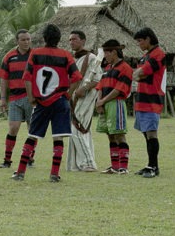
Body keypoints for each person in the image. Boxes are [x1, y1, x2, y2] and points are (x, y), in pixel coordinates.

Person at [12, 24, 82, 183]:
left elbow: (27, 77)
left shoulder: (35, 53)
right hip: (59, 101)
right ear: (59, 39)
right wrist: (68, 94)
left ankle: (20, 172)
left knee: (32, 135)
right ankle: (54, 174)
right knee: (58, 137)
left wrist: (31, 97)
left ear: (44, 38)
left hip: (41, 102)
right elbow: (77, 77)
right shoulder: (65, 55)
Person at [0, 29, 37, 169]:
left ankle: (30, 158)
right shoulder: (9, 56)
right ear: (17, 41)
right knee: (13, 128)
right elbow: (3, 79)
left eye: (28, 39)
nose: (26, 42)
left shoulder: (35, 55)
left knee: (32, 129)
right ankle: (7, 161)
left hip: (32, 98)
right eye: (23, 40)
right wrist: (3, 99)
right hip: (14, 98)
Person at [132, 27, 166, 178]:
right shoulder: (145, 56)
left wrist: (140, 74)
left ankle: (154, 167)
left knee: (152, 133)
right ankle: (150, 164)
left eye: (140, 41)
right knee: (146, 134)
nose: (139, 44)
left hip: (152, 99)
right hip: (142, 99)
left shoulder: (159, 54)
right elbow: (136, 75)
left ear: (148, 39)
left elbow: (140, 73)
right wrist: (140, 74)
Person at [95, 39, 133, 174]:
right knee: (110, 134)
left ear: (114, 52)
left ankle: (123, 167)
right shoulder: (107, 68)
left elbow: (118, 89)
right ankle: (114, 166)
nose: (104, 55)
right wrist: (99, 102)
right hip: (105, 104)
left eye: (106, 52)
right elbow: (100, 86)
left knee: (119, 134)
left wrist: (102, 101)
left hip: (116, 103)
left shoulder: (125, 68)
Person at [66, 30, 101, 172]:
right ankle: (75, 164)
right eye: (70, 40)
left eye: (74, 39)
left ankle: (88, 163)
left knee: (78, 127)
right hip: (73, 97)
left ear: (83, 41)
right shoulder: (72, 58)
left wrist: (84, 89)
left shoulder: (92, 57)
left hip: (85, 97)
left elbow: (97, 79)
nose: (71, 42)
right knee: (79, 129)